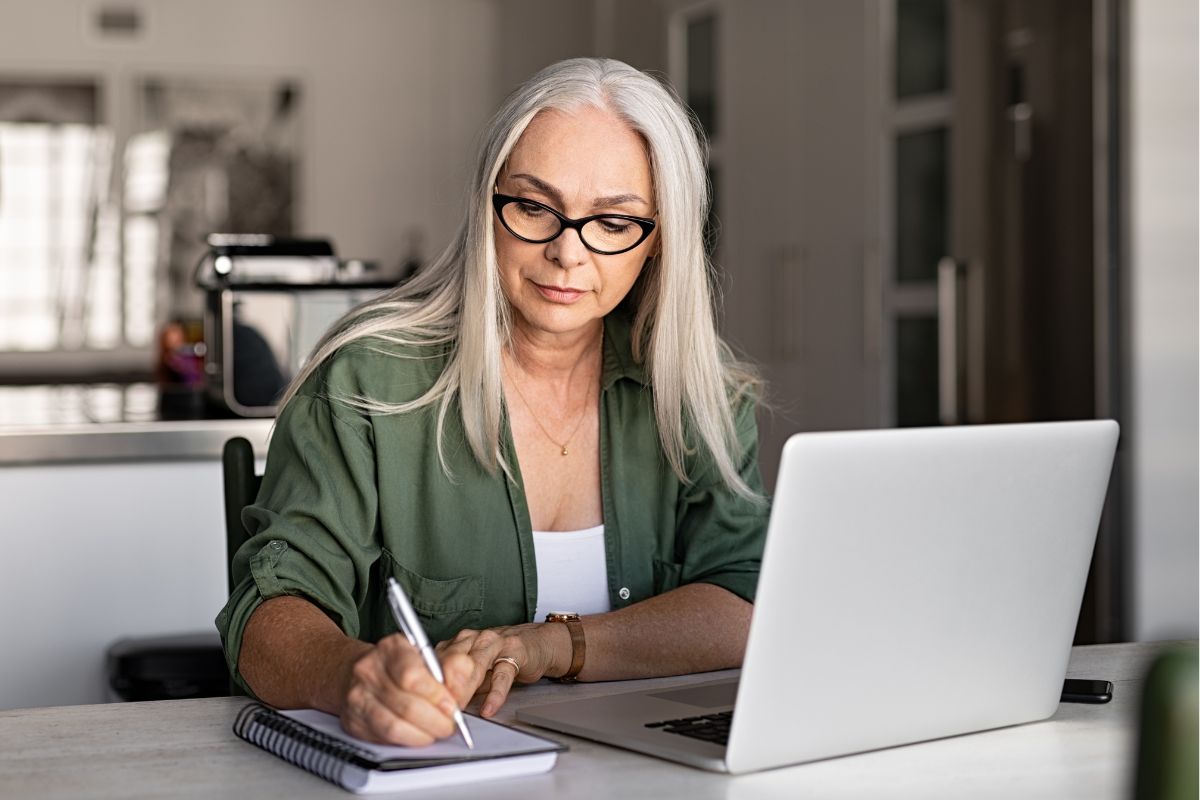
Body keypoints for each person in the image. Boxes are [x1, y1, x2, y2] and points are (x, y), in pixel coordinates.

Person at [215, 57, 769, 747]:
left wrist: (549, 646)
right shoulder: (365, 378)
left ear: (658, 241)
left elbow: (745, 604)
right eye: (535, 207)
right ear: (488, 205)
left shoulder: (699, 391)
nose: (568, 253)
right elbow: (267, 615)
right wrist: (349, 676)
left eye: (614, 221)